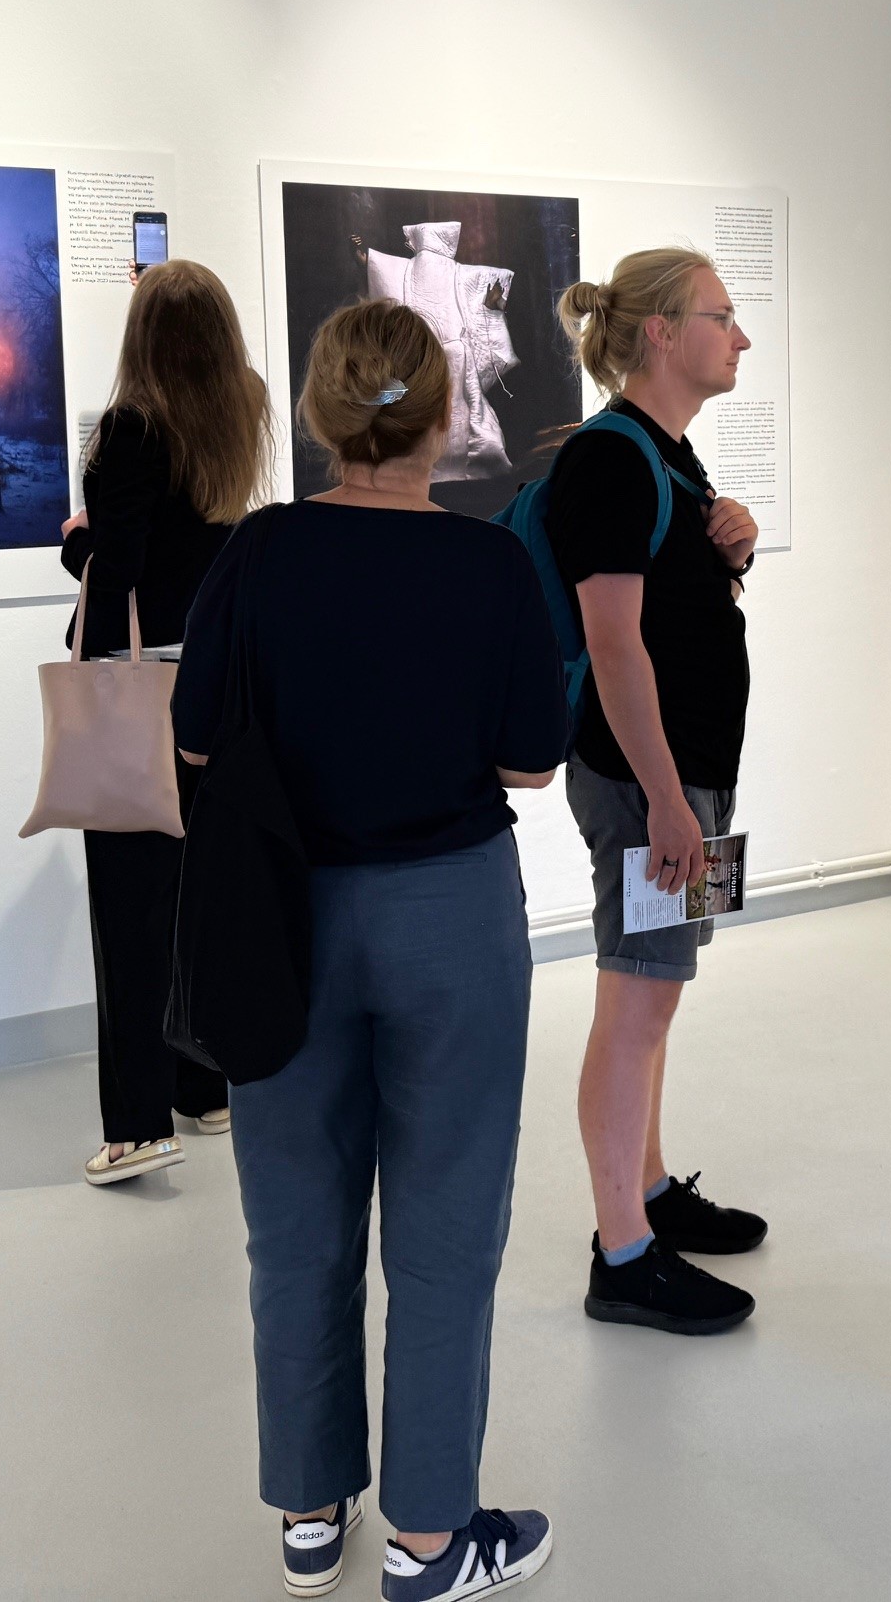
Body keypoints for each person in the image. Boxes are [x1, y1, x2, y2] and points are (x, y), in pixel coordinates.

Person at [175, 299, 567, 1602]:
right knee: (447, 1230)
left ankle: (307, 1512)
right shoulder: (489, 565)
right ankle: (429, 1542)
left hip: (282, 911)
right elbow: (531, 761)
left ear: (320, 413)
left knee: (293, 1225)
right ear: (444, 416)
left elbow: (194, 737)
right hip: (450, 914)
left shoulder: (259, 553)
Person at [547, 248, 767, 1338]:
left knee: (657, 993)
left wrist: (738, 542)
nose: (741, 336)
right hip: (650, 785)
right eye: (722, 316)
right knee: (636, 1003)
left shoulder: (667, 456)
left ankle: (649, 1187)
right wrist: (669, 801)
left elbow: (678, 609)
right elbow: (615, 645)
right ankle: (623, 1253)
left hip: (683, 780)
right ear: (661, 334)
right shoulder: (609, 459)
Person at [59, 259, 270, 1187]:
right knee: (196, 896)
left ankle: (137, 1128)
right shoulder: (241, 413)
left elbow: (119, 573)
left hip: (135, 692)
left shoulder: (130, 428)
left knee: (129, 911)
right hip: (215, 686)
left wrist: (78, 545)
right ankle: (204, 1085)